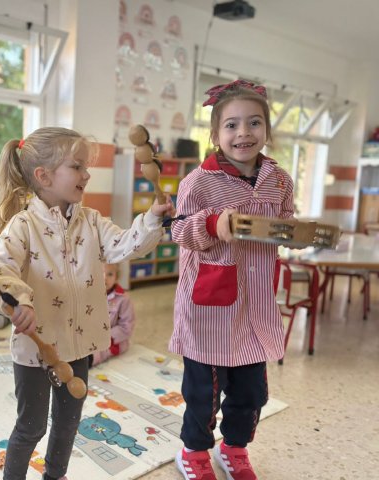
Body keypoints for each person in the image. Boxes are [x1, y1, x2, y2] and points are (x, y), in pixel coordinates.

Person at [0, 127, 175, 480]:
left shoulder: (91, 221)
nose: (86, 174)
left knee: (68, 423)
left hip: (79, 345)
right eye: (77, 166)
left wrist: (151, 219)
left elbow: (124, 245)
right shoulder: (22, 226)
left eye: (86, 167)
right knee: (31, 427)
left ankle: (55, 475)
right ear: (44, 176)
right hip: (36, 349)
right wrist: (20, 301)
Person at [169, 80, 294, 480]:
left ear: (267, 129)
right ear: (215, 134)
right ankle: (193, 453)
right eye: (232, 125)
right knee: (203, 396)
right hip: (209, 308)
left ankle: (233, 448)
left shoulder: (279, 180)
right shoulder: (198, 182)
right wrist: (211, 224)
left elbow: (285, 222)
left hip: (255, 305)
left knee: (251, 393)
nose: (244, 133)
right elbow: (178, 230)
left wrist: (294, 234)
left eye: (254, 122)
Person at [88, 262, 135, 367]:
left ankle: (90, 360)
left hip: (113, 340)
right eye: (101, 273)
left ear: (116, 277)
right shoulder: (88, 294)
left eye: (110, 274)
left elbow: (126, 326)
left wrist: (108, 337)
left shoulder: (123, 299)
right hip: (91, 337)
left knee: (98, 353)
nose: (105, 278)